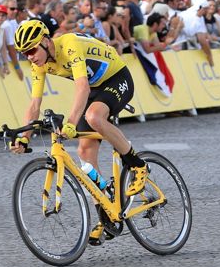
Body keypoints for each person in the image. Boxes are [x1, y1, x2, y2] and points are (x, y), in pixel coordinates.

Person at [9, 20, 148, 244]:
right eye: (24, 53)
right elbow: (35, 104)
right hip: (95, 89)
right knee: (85, 152)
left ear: (45, 41)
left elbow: (81, 86)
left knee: (93, 116)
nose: (30, 57)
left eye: (32, 50)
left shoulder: (69, 43)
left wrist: (72, 121)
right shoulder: (39, 64)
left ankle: (137, 164)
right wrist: (24, 137)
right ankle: (106, 215)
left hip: (117, 77)